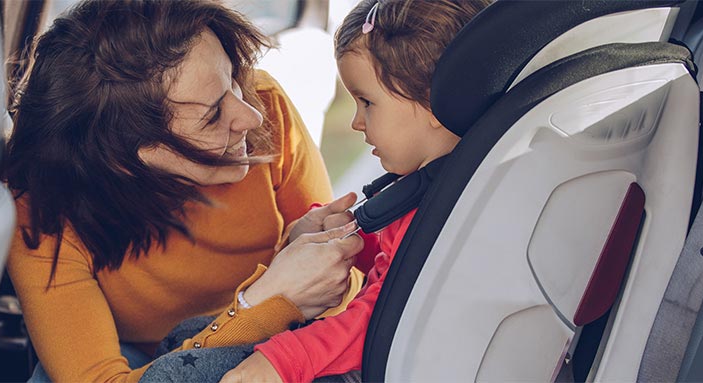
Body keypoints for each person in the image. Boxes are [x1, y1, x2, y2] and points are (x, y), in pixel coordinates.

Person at [0, 1, 368, 382]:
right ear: (124, 159)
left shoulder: (265, 104)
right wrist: (264, 301)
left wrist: (297, 256)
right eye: (212, 116)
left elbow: (340, 301)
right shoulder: (40, 212)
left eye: (233, 81)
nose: (250, 117)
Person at [130, 1, 492, 382]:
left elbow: (384, 314)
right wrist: (335, 237)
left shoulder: (446, 214)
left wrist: (280, 361)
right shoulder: (432, 186)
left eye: (367, 103)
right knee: (184, 337)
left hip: (394, 362)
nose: (355, 122)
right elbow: (388, 259)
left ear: (436, 101)